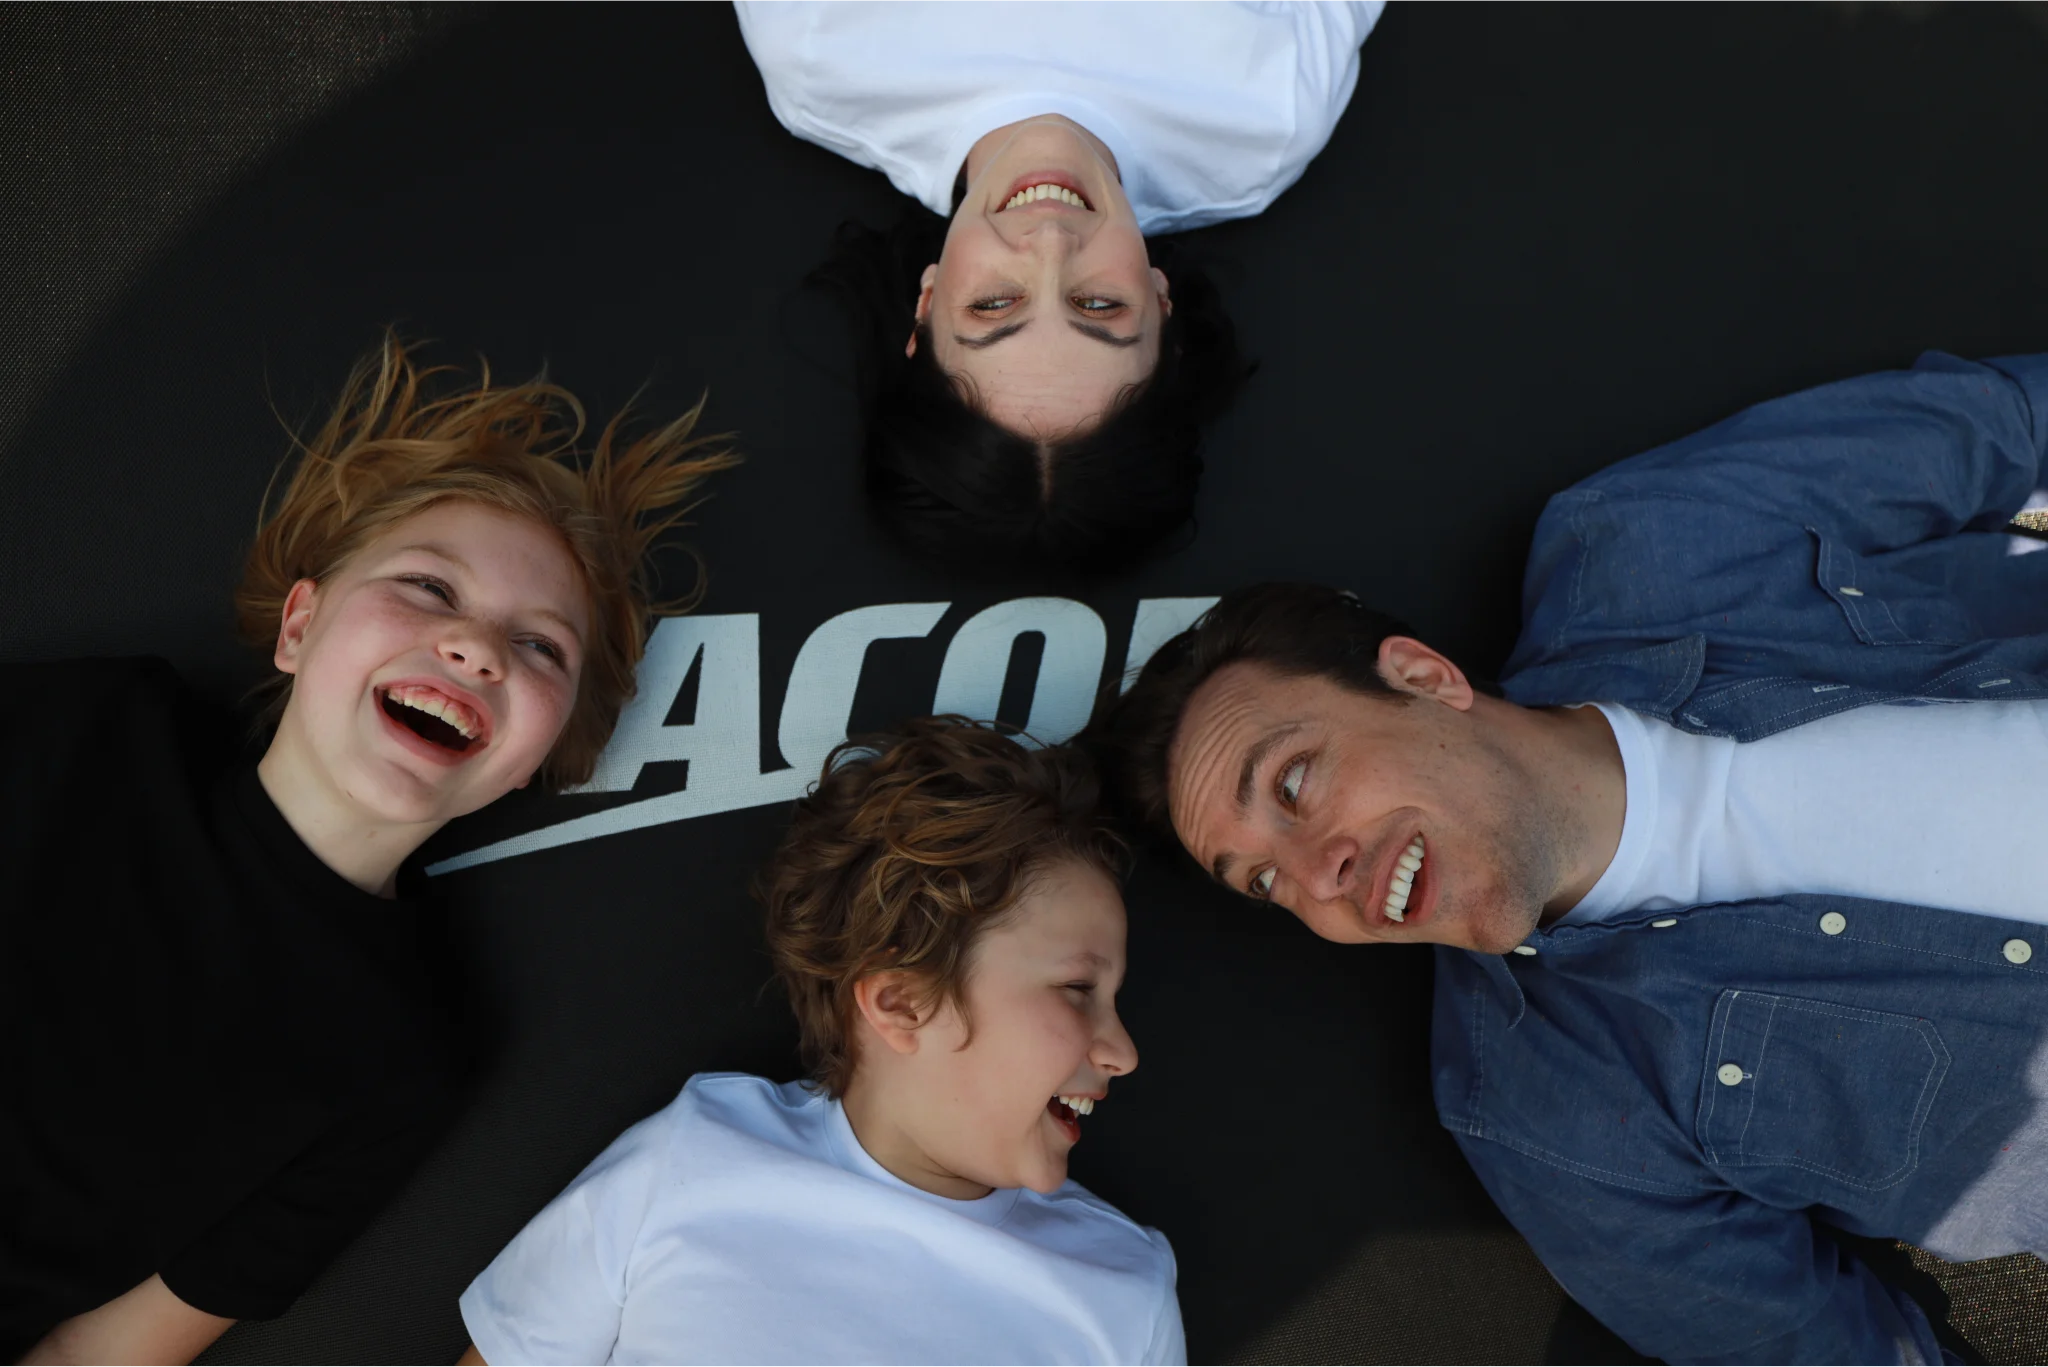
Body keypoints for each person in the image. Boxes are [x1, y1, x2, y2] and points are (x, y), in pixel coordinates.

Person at [1088, 351, 2048, 1367]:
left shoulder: (1651, 543)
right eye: (1263, 881)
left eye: (1290, 785)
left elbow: (2009, 425)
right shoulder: (1552, 1119)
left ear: (1420, 676)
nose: (1314, 877)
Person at [0, 336, 736, 1367]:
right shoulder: (99, 728)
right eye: (429, 588)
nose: (476, 647)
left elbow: (107, 1350)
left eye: (539, 648)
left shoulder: (406, 1058)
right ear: (298, 624)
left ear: (542, 755)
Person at [453, 719, 1182, 1367]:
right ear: (903, 1002)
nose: (1123, 1051)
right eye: (1078, 990)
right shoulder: (692, 1159)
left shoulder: (1123, 1290)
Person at [735, 0, 1386, 571]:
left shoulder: (818, 54)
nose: (1049, 241)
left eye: (994, 305)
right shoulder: (1266, 124)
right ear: (1164, 306)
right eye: (1098, 304)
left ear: (926, 304)